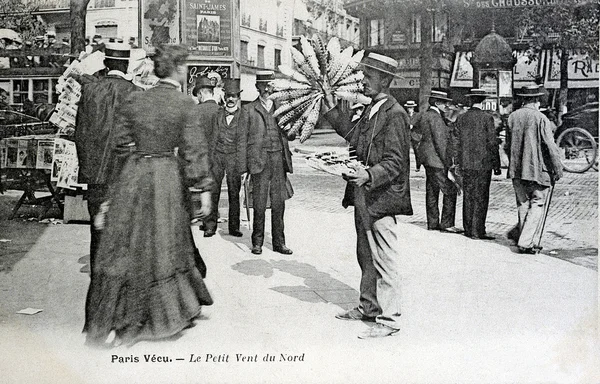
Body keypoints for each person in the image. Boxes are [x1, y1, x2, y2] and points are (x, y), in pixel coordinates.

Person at [83, 44, 214, 347]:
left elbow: (119, 145)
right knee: (165, 243)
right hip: (165, 177)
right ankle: (163, 313)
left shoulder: (135, 99)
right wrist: (203, 188)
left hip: (133, 176)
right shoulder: (184, 104)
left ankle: (113, 315)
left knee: (129, 244)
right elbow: (194, 151)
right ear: (179, 69)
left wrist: (119, 183)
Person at [322, 52, 412, 339]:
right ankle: (368, 307)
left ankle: (389, 320)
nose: (362, 82)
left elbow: (396, 162)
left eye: (368, 77)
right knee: (365, 254)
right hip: (363, 193)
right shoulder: (373, 109)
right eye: (362, 76)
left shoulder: (395, 114)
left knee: (384, 259)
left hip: (382, 196)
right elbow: (352, 134)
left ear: (385, 81)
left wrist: (369, 175)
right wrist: (331, 107)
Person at [74, 43, 140, 276]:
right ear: (127, 65)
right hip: (126, 175)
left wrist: (89, 170)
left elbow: (80, 134)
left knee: (98, 228)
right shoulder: (137, 93)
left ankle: (98, 274)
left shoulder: (91, 92)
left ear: (106, 64)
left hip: (98, 176)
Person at [242, 70, 294, 255]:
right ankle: (257, 242)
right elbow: (242, 140)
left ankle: (279, 243)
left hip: (279, 160)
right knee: (259, 203)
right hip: (259, 162)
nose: (267, 89)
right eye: (263, 86)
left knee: (279, 204)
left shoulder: (282, 108)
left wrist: (290, 127)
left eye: (270, 85)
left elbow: (291, 134)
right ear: (257, 87)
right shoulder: (248, 110)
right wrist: (243, 167)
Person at [507, 85, 563, 254]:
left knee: (523, 204)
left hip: (517, 169)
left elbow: (508, 145)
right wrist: (557, 168)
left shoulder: (512, 117)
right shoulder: (541, 119)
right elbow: (550, 146)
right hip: (538, 170)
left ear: (523, 99)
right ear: (536, 100)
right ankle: (526, 241)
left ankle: (525, 240)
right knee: (537, 203)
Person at [454, 89, 501, 240]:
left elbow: (455, 142)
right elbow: (492, 142)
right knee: (481, 196)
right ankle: (478, 230)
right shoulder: (487, 118)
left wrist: (457, 161)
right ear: (482, 101)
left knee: (468, 195)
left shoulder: (461, 118)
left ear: (470, 101)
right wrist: (497, 164)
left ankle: (468, 229)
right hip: (483, 164)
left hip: (466, 163)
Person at [204, 78, 247, 238]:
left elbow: (244, 142)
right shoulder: (217, 114)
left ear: (238, 98)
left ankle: (234, 227)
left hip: (234, 158)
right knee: (213, 191)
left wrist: (243, 166)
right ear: (224, 96)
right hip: (217, 157)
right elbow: (211, 137)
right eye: (228, 95)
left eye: (234, 96)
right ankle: (210, 226)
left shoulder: (244, 116)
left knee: (234, 193)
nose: (230, 99)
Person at [417, 90, 461, 233]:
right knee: (450, 189)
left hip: (428, 160)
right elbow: (440, 142)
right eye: (445, 103)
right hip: (437, 161)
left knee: (432, 191)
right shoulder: (436, 118)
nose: (447, 106)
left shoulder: (425, 115)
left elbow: (416, 136)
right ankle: (447, 223)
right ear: (437, 103)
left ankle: (433, 222)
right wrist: (448, 163)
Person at [404, 100, 422, 172]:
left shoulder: (418, 115)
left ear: (414, 108)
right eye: (408, 108)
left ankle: (418, 166)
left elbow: (420, 125)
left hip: (415, 135)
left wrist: (413, 126)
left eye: (411, 107)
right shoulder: (405, 115)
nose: (410, 109)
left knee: (417, 152)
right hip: (407, 135)